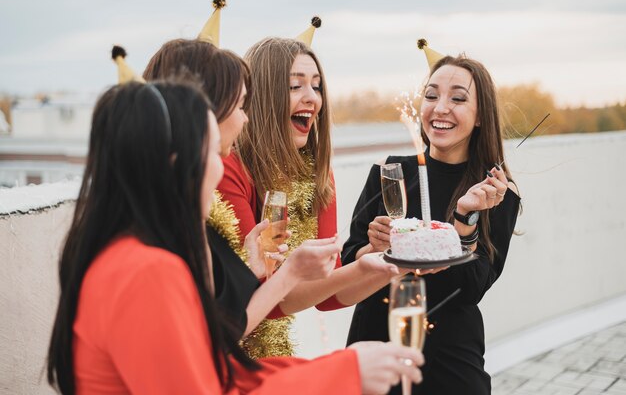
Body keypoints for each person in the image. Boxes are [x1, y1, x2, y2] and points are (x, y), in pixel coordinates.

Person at [46, 80, 424, 394]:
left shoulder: (128, 253)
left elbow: (219, 370)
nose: (222, 164)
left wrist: (342, 366)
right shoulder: (146, 270)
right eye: (213, 150)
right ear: (176, 162)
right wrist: (346, 372)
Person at [219, 33, 414, 358]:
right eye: (296, 86)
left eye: (317, 86)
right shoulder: (228, 170)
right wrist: (365, 266)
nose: (312, 98)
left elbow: (327, 295)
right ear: (263, 96)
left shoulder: (318, 174)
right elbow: (266, 300)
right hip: (226, 348)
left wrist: (396, 262)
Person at [341, 53, 521, 394]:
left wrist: (464, 216)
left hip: (449, 358)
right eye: (431, 95)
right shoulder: (389, 173)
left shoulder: (495, 193)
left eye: (458, 98)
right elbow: (346, 270)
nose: (440, 108)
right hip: (377, 344)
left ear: (481, 115)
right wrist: (374, 248)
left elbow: (470, 288)